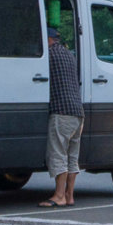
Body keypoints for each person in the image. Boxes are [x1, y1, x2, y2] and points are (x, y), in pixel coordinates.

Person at [41, 24, 83, 209]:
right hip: (78, 112)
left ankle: (59, 196)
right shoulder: (69, 55)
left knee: (58, 154)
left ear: (47, 39)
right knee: (72, 157)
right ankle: (69, 195)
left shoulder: (48, 56)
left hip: (61, 112)